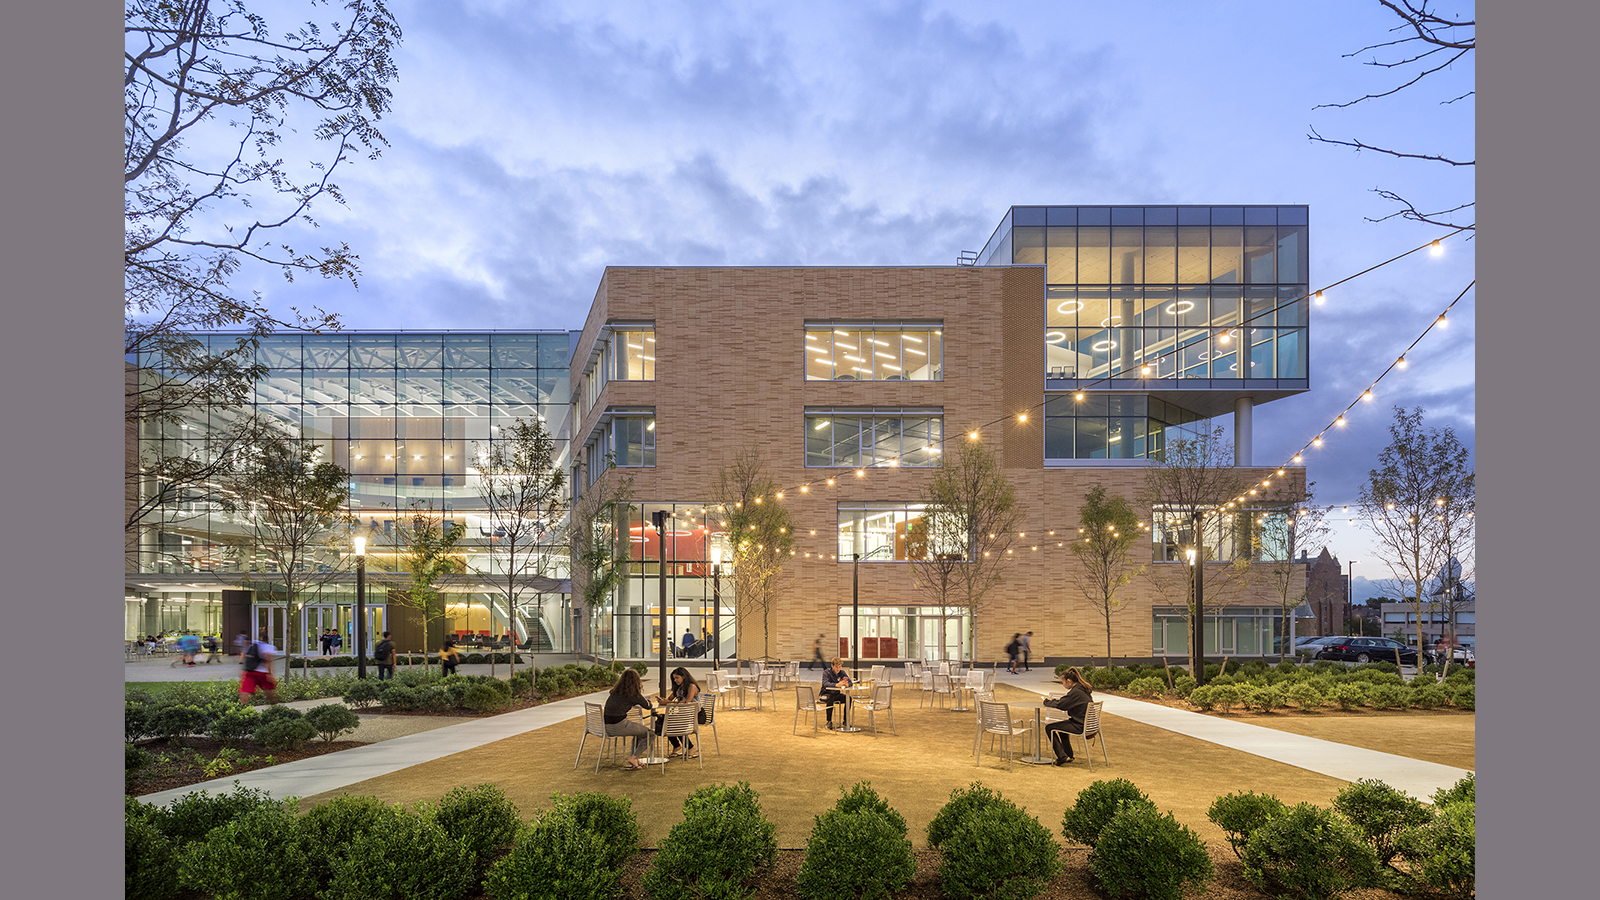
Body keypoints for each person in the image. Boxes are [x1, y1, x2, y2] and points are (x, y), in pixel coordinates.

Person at [604, 669, 655, 770]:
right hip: (620, 725)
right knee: (651, 734)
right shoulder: (634, 694)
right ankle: (634, 757)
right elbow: (648, 706)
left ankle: (635, 759)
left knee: (639, 733)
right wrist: (646, 700)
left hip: (607, 726)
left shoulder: (615, 692)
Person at [1043, 667, 1094, 766]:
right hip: (1089, 724)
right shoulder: (1082, 689)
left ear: (1069, 681)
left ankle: (1061, 756)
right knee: (1062, 727)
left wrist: (1046, 702)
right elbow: (1065, 702)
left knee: (1049, 727)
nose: (1063, 685)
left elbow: (1062, 705)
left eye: (1063, 682)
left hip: (1080, 725)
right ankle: (1068, 754)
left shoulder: (1076, 692)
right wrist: (1054, 701)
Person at [654, 666, 702, 758]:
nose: (675, 680)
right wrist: (663, 700)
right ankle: (677, 745)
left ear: (683, 676)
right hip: (684, 713)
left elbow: (688, 701)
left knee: (674, 722)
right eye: (674, 678)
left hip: (696, 714)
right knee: (665, 720)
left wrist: (669, 702)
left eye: (677, 678)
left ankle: (689, 747)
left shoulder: (692, 686)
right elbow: (669, 699)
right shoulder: (678, 688)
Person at [238, 628, 280, 705]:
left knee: (245, 691)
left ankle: (242, 710)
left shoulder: (252, 645)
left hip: (250, 671)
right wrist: (270, 674)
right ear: (267, 639)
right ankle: (275, 707)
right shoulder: (268, 647)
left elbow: (246, 659)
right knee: (269, 690)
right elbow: (268, 660)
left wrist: (243, 672)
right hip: (262, 673)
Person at [819, 656, 853, 729]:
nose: (838, 669)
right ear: (832, 666)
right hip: (825, 694)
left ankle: (845, 721)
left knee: (848, 698)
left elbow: (850, 682)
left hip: (836, 694)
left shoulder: (842, 673)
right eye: (836, 667)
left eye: (840, 667)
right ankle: (829, 721)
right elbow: (825, 684)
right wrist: (836, 685)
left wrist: (847, 684)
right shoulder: (826, 673)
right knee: (830, 698)